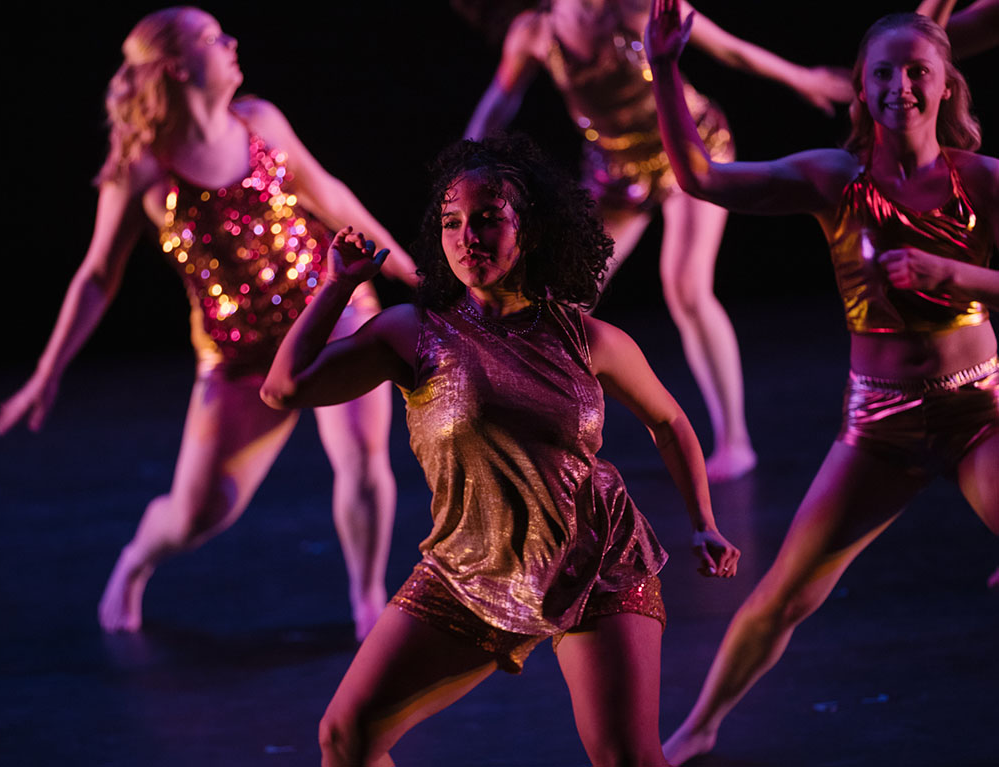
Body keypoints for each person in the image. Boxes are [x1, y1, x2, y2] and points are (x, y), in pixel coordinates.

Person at [261, 134, 740, 767]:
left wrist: (703, 521)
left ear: (530, 230)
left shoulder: (586, 337)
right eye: (452, 222)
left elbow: (669, 420)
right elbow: (284, 388)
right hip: (470, 568)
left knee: (628, 758)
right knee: (345, 737)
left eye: (487, 218)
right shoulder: (414, 334)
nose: (467, 237)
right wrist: (336, 287)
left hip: (594, 556)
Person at [0, 6, 419, 641]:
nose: (231, 43)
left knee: (362, 458)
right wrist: (46, 372)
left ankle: (366, 602)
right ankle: (136, 561)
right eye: (213, 38)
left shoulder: (260, 121)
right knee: (200, 514)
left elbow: (328, 194)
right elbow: (97, 276)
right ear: (176, 66)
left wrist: (404, 267)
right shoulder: (143, 169)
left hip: (331, 312)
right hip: (239, 351)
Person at [645, 3, 998, 763]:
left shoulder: (984, 181)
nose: (901, 87)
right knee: (784, 595)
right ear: (861, 89)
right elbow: (700, 177)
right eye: (883, 73)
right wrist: (666, 68)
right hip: (881, 421)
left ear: (946, 86)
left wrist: (954, 275)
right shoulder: (834, 179)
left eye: (918, 72)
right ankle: (699, 726)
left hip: (979, 409)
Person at [464, 0, 855, 482]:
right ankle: (547, 436)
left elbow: (729, 49)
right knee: (561, 298)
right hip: (617, 171)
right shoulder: (535, 33)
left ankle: (735, 441)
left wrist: (803, 78)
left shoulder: (636, 9)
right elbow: (500, 101)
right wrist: (466, 162)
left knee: (686, 287)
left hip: (690, 151)